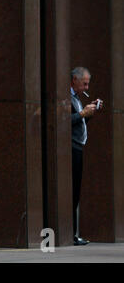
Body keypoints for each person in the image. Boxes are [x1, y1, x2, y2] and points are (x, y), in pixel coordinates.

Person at [70, 67, 103, 246]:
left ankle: (73, 233)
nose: (86, 87)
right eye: (84, 83)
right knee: (72, 190)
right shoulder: (67, 97)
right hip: (71, 147)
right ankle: (71, 234)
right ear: (74, 80)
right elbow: (63, 120)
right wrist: (82, 114)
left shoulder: (77, 98)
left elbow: (78, 122)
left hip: (78, 147)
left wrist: (88, 115)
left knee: (76, 190)